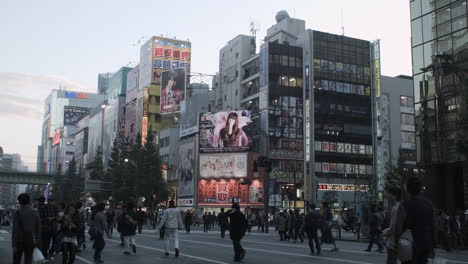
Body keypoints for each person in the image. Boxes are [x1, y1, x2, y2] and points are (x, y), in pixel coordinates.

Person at [403, 176, 435, 263]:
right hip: (425, 242)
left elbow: (402, 226)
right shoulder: (429, 204)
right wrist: (432, 247)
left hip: (409, 244)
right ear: (420, 189)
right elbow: (432, 226)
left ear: (407, 189)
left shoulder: (405, 205)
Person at [12, 193, 40, 264]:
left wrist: (14, 245)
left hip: (19, 240)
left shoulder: (17, 213)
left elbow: (15, 230)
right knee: (28, 260)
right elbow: (38, 229)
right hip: (30, 239)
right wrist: (37, 242)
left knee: (16, 260)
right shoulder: (35, 213)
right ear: (29, 201)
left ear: (19, 202)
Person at [382, 186, 406, 264]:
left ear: (393, 195)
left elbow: (393, 226)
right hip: (399, 239)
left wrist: (385, 232)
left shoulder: (396, 208)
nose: (387, 195)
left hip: (393, 241)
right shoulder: (401, 206)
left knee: (391, 261)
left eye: (388, 193)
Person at [37, 196, 58, 261]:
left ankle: (51, 250)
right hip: (45, 227)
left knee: (54, 240)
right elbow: (40, 218)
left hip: (53, 227)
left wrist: (54, 218)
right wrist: (47, 218)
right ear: (48, 201)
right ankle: (45, 252)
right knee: (46, 241)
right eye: (50, 201)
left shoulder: (55, 208)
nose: (52, 202)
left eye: (53, 201)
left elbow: (57, 216)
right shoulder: (43, 208)